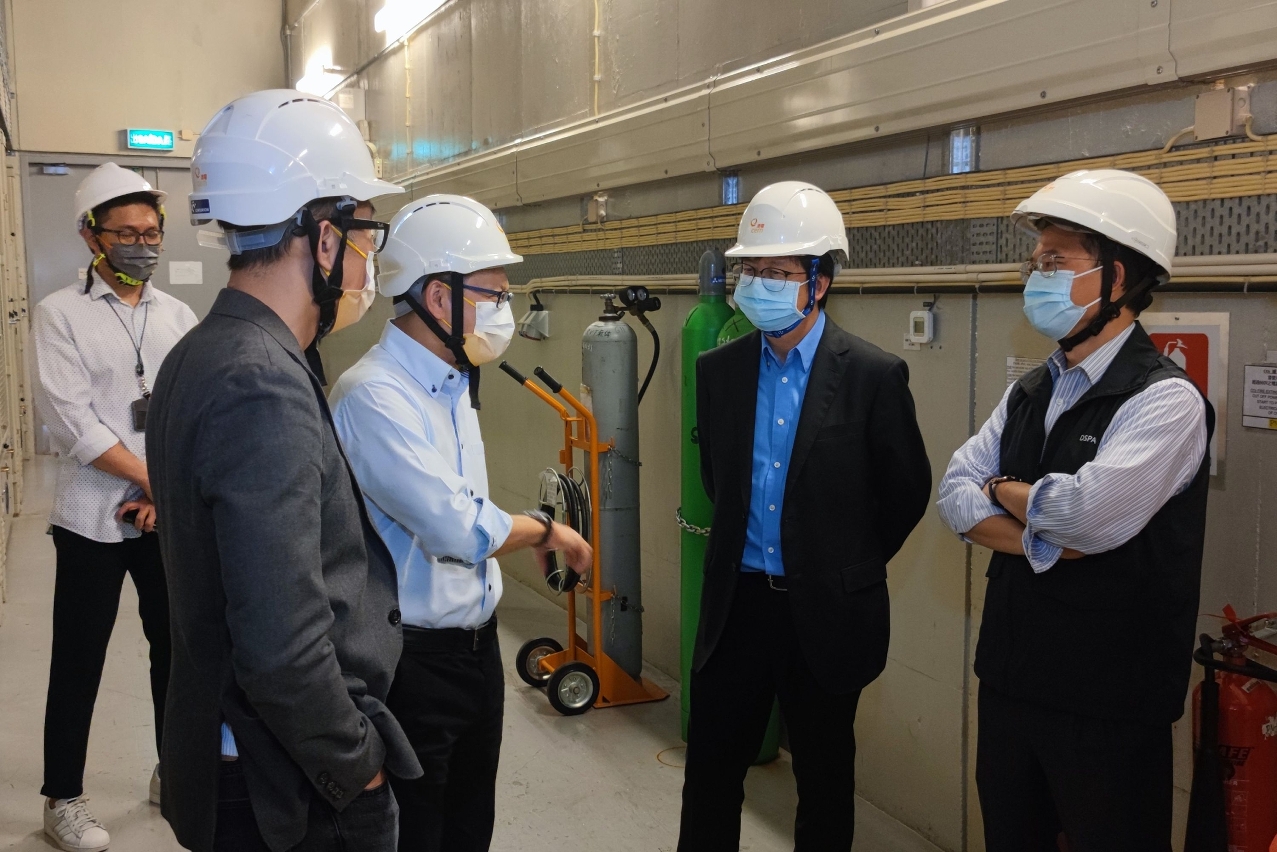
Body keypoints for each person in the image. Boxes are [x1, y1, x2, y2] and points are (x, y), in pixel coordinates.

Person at [145, 90, 422, 852]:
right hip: (282, 788)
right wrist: (357, 770)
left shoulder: (202, 350)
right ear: (323, 239)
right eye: (364, 234)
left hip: (237, 753)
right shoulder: (260, 381)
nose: (368, 260)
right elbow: (282, 646)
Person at [937, 169, 1212, 851]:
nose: (1038, 276)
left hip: (1109, 704)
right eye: (1036, 262)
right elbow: (953, 493)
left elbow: (1086, 516)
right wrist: (1043, 532)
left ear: (1116, 277)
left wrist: (1002, 489)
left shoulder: (1165, 400)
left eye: (1056, 261)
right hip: (1012, 681)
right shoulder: (1032, 388)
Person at [329, 194, 593, 852]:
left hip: (476, 652)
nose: (504, 310)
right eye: (493, 294)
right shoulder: (374, 395)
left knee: (469, 828)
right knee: (418, 831)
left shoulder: (451, 383)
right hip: (411, 663)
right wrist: (545, 530)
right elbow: (456, 528)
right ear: (438, 296)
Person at [678, 181, 932, 851]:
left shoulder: (873, 376)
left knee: (823, 779)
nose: (757, 284)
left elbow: (905, 493)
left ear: (819, 282)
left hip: (823, 609)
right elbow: (718, 481)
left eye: (777, 272)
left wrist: (839, 561)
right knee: (710, 775)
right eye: (750, 270)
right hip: (737, 607)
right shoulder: (718, 370)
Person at [33, 162, 197, 852]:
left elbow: (191, 411)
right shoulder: (59, 314)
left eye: (151, 232)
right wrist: (155, 481)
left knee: (177, 652)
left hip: (164, 518)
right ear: (91, 236)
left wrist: (165, 491)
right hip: (91, 518)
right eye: (125, 233)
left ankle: (173, 771)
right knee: (79, 658)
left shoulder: (178, 315)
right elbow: (72, 420)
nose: (141, 244)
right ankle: (62, 798)